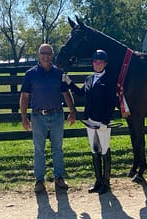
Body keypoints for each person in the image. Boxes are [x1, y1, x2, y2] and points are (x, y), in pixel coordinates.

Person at [19, 43, 76, 193]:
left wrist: (72, 111)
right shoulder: (31, 74)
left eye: (49, 53)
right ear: (39, 55)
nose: (46, 56)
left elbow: (66, 93)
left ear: (52, 55)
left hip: (57, 114)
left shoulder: (58, 73)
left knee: (58, 148)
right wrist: (24, 117)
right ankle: (39, 180)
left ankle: (59, 177)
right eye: (43, 53)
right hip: (38, 116)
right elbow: (24, 96)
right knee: (39, 149)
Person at [62, 49, 116, 194]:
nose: (98, 65)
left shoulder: (109, 80)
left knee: (104, 149)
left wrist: (106, 121)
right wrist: (69, 82)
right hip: (90, 120)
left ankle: (106, 182)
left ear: (105, 64)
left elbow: (111, 102)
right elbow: (80, 93)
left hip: (102, 121)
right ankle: (98, 180)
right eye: (95, 62)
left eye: (100, 62)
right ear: (92, 63)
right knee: (94, 149)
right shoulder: (89, 79)